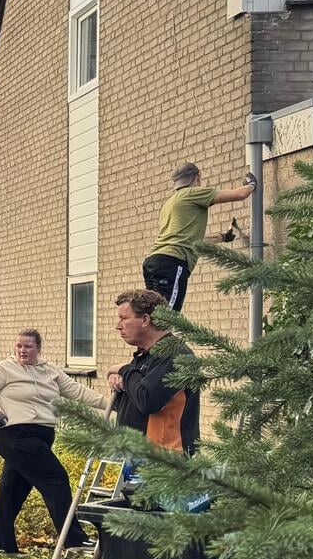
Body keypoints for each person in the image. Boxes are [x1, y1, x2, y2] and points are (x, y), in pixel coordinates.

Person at [0, 328, 105, 554]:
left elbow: (76, 391)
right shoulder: (4, 369)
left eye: (28, 346)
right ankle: (73, 540)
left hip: (41, 436)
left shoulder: (49, 371)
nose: (22, 350)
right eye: (19, 346)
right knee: (56, 479)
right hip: (13, 434)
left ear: (38, 348)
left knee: (13, 488)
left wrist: (111, 404)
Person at [144, 162, 254, 310]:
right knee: (167, 319)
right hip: (172, 262)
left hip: (154, 262)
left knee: (153, 315)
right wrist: (252, 183)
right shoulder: (192, 193)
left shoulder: (170, 203)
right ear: (197, 177)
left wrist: (223, 237)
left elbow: (190, 240)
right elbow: (240, 194)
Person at [108, 289, 200, 455]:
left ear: (145, 320)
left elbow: (148, 400)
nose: (118, 326)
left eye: (123, 318)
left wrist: (124, 370)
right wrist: (121, 381)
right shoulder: (146, 354)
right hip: (137, 458)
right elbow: (131, 402)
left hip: (164, 460)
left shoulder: (175, 354)